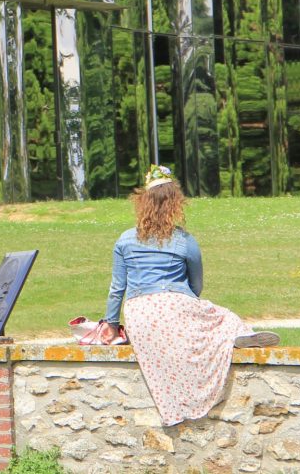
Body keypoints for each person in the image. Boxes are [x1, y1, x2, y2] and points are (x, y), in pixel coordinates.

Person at [88, 164, 279, 427]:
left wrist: (111, 324)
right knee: (222, 318)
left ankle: (174, 406)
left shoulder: (125, 240)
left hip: (140, 313)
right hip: (177, 304)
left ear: (142, 203)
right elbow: (196, 285)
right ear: (176, 204)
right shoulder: (185, 241)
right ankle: (237, 336)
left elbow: (116, 288)